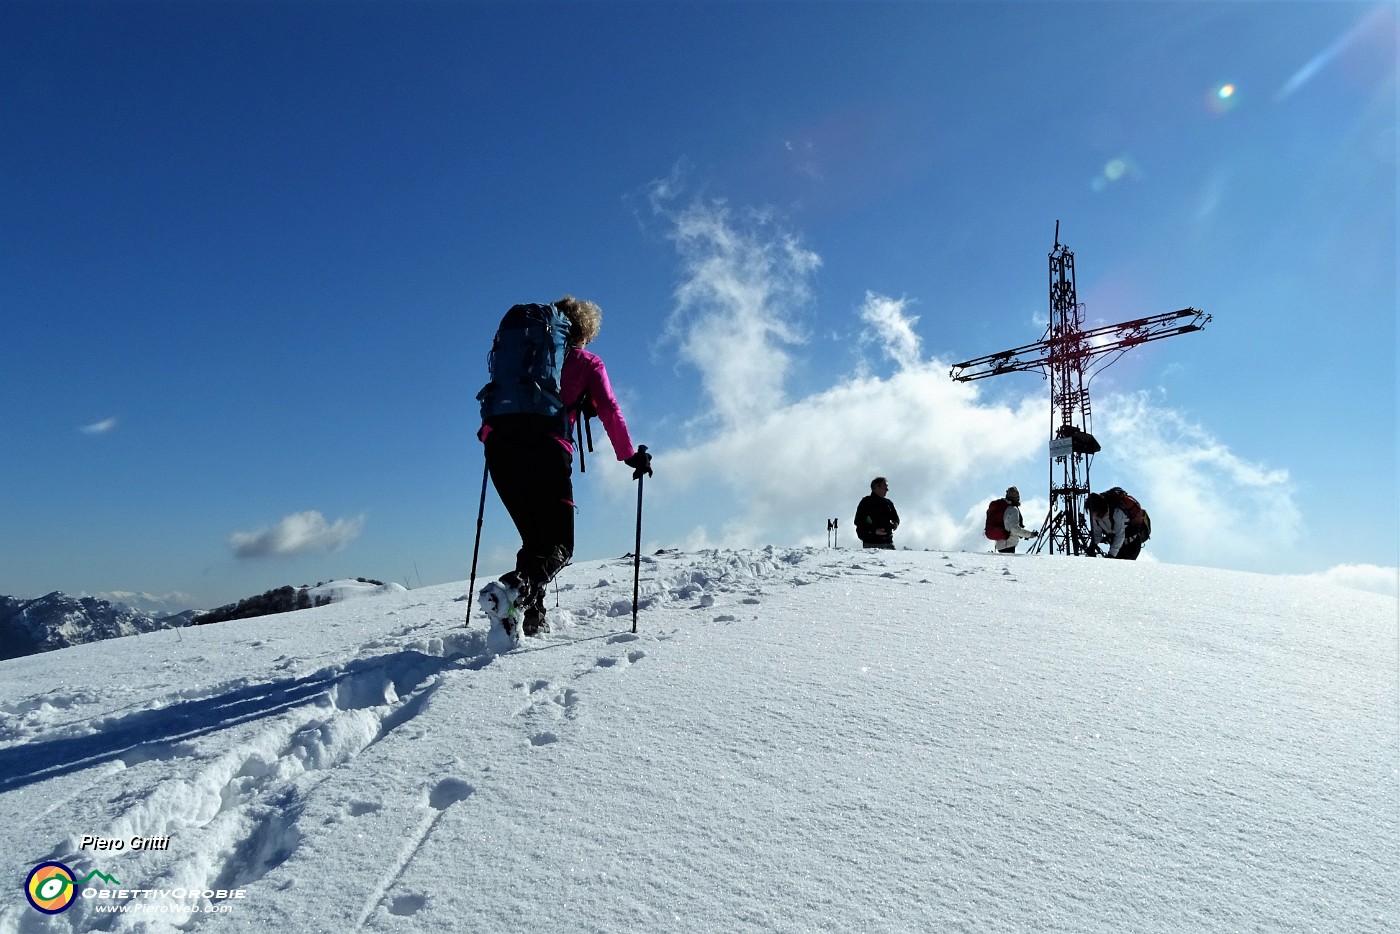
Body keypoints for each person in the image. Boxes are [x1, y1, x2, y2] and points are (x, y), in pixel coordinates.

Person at [479, 296, 652, 637]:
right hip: (546, 450)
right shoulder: (586, 362)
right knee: (560, 545)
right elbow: (610, 409)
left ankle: (529, 619)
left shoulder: (522, 359)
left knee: (534, 540)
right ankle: (513, 589)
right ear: (584, 331)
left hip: (499, 448)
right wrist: (630, 455)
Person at [1086, 488, 1150, 560]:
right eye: (1092, 511)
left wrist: (1111, 555)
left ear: (1101, 507)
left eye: (1095, 511)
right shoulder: (1095, 516)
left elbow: (1120, 535)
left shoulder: (1117, 513)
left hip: (1131, 545)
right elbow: (1097, 534)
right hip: (1118, 545)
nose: (1095, 514)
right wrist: (1092, 546)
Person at [855, 477, 900, 549]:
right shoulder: (866, 503)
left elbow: (895, 518)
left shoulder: (888, 503)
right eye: (884, 487)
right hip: (871, 544)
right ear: (876, 488)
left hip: (888, 543)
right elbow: (858, 522)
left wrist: (895, 524)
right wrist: (874, 530)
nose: (887, 490)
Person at [995, 486, 1037, 554]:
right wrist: (1029, 534)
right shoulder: (1012, 509)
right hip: (1008, 544)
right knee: (1007, 564)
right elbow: (1014, 529)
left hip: (1000, 543)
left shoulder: (1002, 508)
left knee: (1004, 564)